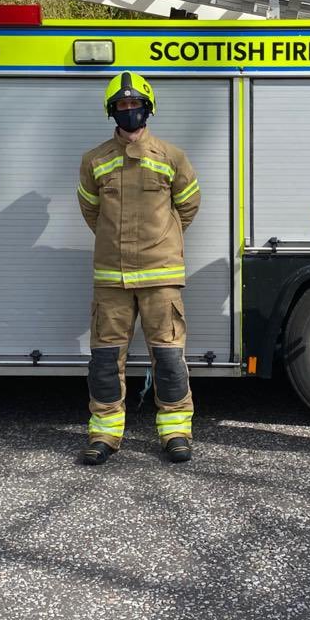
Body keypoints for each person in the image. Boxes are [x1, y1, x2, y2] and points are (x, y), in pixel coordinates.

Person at [76, 72, 201, 465]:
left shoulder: (171, 158)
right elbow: (91, 212)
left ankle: (176, 431)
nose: (129, 112)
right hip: (111, 277)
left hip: (161, 275)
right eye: (122, 107)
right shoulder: (94, 161)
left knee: (167, 356)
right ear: (112, 112)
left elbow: (188, 206)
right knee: (105, 359)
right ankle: (105, 433)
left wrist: (162, 240)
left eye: (135, 106)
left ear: (148, 109)